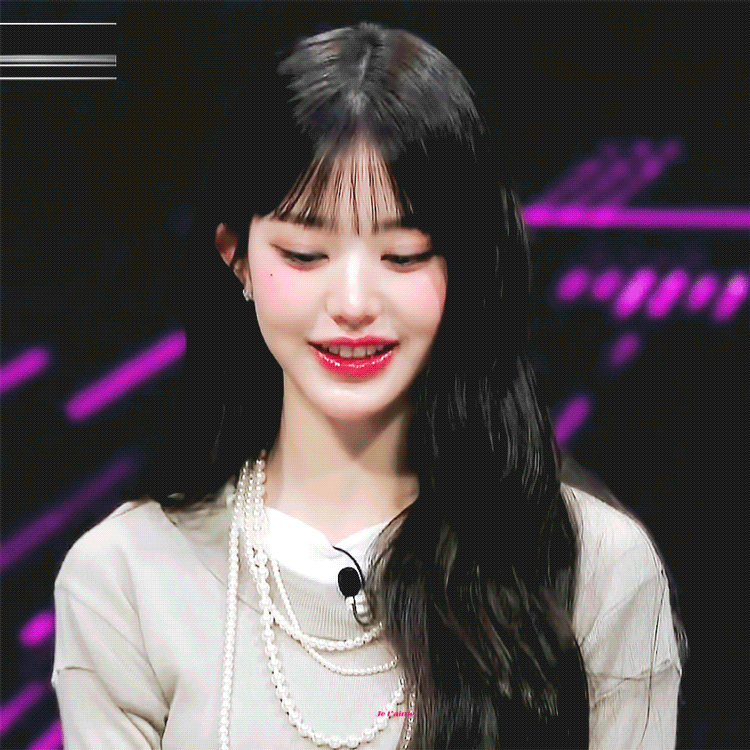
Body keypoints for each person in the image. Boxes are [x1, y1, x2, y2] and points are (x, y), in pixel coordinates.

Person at [51, 21, 687, 749]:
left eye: (404, 254)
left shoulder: (596, 569)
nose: (353, 303)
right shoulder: (125, 579)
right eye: (304, 253)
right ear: (237, 259)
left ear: (465, 264)